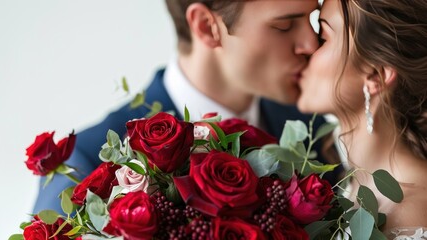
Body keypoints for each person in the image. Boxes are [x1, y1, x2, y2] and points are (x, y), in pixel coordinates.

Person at [33, 0, 340, 213]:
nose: (310, 45)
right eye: (285, 25)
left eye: (311, 18)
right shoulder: (85, 164)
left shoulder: (310, 128)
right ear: (207, 27)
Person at [297, 0, 427, 235]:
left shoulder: (412, 215)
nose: (306, 49)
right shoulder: (350, 182)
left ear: (375, 76)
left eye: (322, 37)